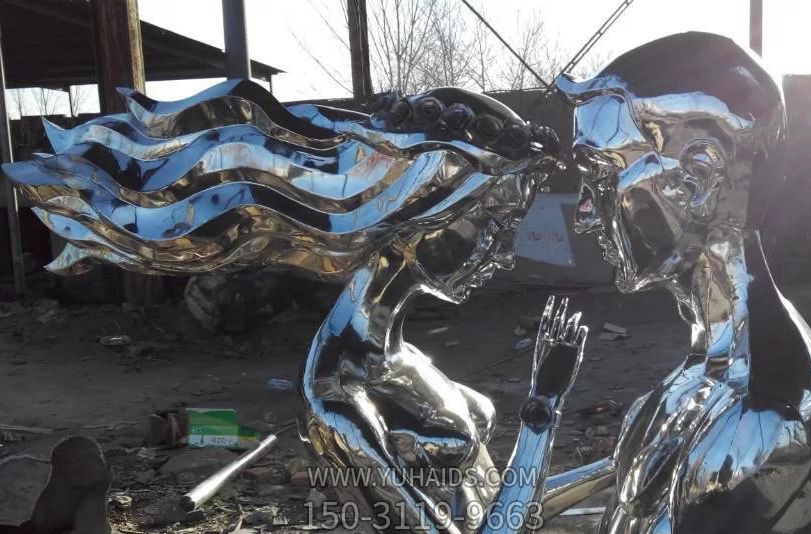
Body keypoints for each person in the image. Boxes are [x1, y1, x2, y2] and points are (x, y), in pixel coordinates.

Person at [3, 80, 589, 533]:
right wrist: (541, 413)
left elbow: (504, 510)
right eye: (492, 221)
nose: (501, 251)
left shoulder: (403, 357)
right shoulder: (337, 397)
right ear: (423, 211)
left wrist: (629, 457)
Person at [560, 32, 811, 533]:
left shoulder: (763, 422)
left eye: (602, 177)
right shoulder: (710, 372)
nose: (584, 214)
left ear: (699, 176)